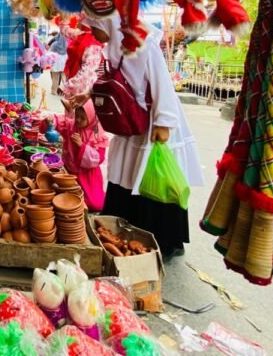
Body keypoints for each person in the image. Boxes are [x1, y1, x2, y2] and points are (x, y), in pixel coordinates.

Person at [85, 13, 204, 259]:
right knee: (127, 175)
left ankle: (163, 240)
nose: (90, 32)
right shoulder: (113, 47)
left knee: (153, 178)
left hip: (152, 122)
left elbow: (161, 82)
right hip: (130, 123)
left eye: (92, 25)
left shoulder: (142, 42)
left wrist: (164, 121)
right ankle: (124, 233)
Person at [47, 95, 109, 211]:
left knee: (95, 204)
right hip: (69, 170)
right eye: (77, 116)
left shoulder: (97, 134)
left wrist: (82, 146)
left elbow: (98, 158)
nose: (78, 120)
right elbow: (61, 121)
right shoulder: (71, 125)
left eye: (82, 118)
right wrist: (51, 121)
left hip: (87, 175)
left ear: (91, 118)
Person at [59, 15, 103, 102]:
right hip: (73, 89)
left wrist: (66, 86)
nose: (77, 21)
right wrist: (63, 14)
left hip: (82, 93)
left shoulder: (93, 43)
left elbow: (86, 73)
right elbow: (65, 30)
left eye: (79, 19)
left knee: (79, 114)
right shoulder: (81, 35)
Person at [47, 28, 69, 95]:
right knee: (64, 77)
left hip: (56, 61)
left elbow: (49, 53)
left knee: (55, 77)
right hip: (64, 60)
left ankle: (54, 91)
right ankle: (66, 91)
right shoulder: (66, 43)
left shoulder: (55, 44)